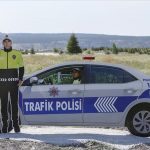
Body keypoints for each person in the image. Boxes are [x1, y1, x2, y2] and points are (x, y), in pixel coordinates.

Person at [0, 35, 24, 133]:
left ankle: (16, 125)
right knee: (4, 105)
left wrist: (21, 79)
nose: (6, 43)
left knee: (14, 104)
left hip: (14, 83)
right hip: (2, 84)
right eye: (4, 42)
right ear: (3, 43)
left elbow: (21, 67)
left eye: (8, 41)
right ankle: (5, 126)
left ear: (11, 43)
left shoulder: (17, 53)